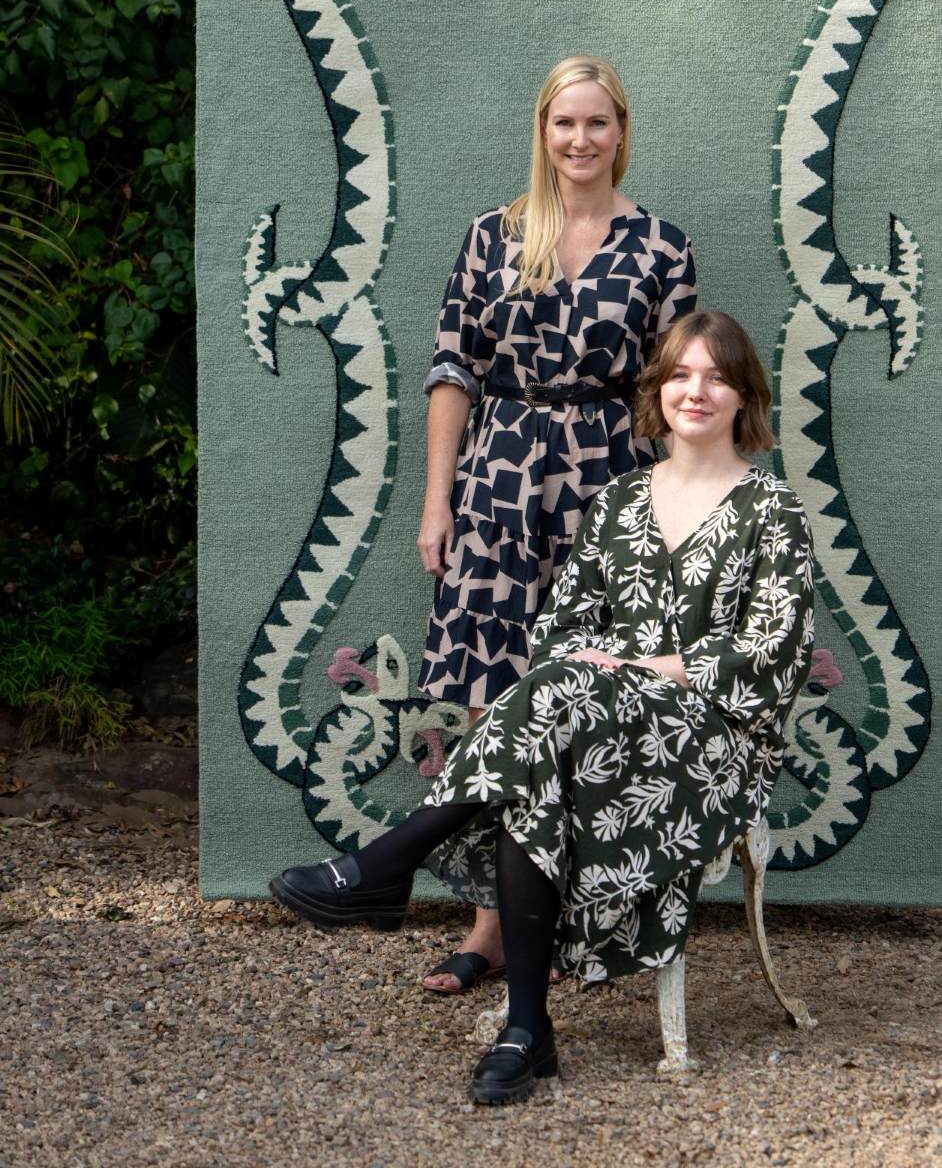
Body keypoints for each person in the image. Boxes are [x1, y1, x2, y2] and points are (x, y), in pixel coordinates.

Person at [270, 310, 816, 1105]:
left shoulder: (773, 511)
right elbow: (562, 627)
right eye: (679, 375)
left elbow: (774, 651)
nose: (695, 391)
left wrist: (646, 666)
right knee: (547, 749)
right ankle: (525, 1029)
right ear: (657, 390)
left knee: (554, 712)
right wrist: (600, 672)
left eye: (716, 377)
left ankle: (391, 866)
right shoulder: (621, 501)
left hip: (709, 741)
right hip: (587, 723)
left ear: (744, 397)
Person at [414, 56, 696, 992]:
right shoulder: (494, 238)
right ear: (543, 132)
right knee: (496, 706)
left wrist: (670, 518)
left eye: (597, 124)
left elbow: (676, 393)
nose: (580, 140)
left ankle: (579, 924)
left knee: (584, 701)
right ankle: (491, 928)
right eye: (563, 124)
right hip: (498, 484)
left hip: (610, 486)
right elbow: (454, 369)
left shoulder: (661, 248)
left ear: (622, 132)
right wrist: (436, 500)